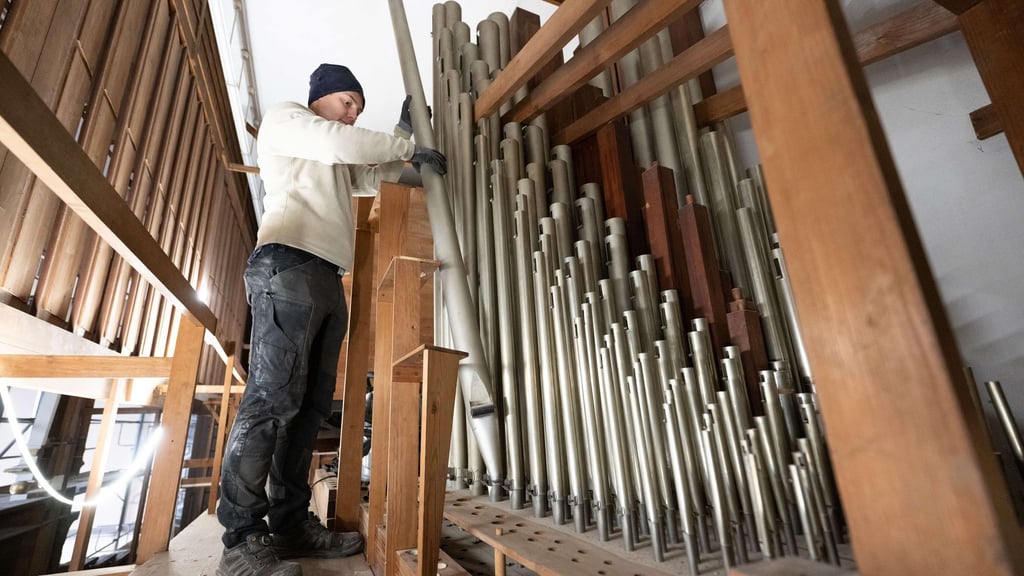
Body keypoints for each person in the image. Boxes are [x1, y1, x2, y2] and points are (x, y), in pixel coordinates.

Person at [216, 63, 446, 576]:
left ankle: (291, 526)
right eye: (348, 102)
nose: (353, 113)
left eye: (358, 108)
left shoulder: (330, 156)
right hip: (286, 261)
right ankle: (241, 542)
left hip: (323, 274)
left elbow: (373, 175)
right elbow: (342, 145)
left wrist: (407, 136)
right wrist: (403, 145)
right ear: (321, 98)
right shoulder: (288, 120)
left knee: (308, 409)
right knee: (272, 401)